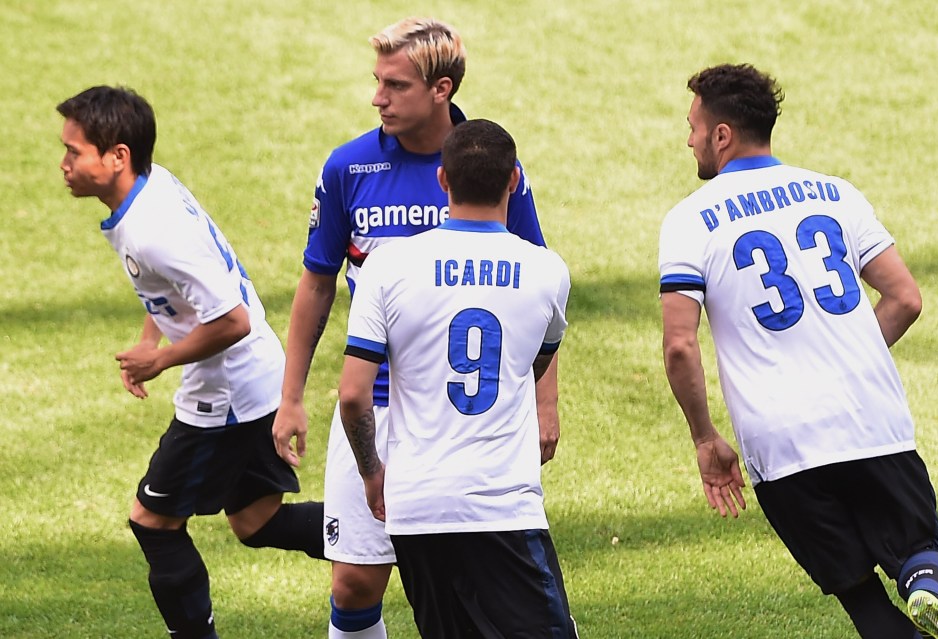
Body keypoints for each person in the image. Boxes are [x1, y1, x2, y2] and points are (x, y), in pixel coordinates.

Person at [271, 17, 560, 638]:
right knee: (353, 581)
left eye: (395, 85)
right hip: (371, 403)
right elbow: (317, 280)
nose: (378, 98)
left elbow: (537, 288)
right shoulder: (349, 168)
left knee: (479, 581)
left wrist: (546, 401)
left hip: (465, 414)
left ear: (442, 89)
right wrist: (291, 395)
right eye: (377, 82)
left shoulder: (490, 165)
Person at [658, 63, 938, 639]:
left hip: (783, 444)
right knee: (919, 549)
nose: (689, 138)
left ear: (723, 135)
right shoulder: (835, 193)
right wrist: (855, 351)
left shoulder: (689, 220)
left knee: (861, 600)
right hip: (871, 420)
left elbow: (679, 347)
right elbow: (905, 298)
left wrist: (704, 437)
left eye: (694, 125)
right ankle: (924, 585)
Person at [57, 86, 326, 639]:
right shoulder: (148, 190)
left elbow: (231, 320)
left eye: (73, 151)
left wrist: (163, 361)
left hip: (225, 392)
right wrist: (151, 338)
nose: (63, 164)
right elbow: (176, 291)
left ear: (117, 157)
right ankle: (401, 537)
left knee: (152, 520)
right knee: (257, 521)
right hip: (252, 378)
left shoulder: (155, 232)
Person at [337, 118, 576, 637]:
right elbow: (533, 365)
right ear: (514, 180)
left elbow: (354, 396)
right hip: (501, 508)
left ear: (443, 179)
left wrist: (372, 471)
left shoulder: (387, 266)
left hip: (416, 509)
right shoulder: (547, 271)